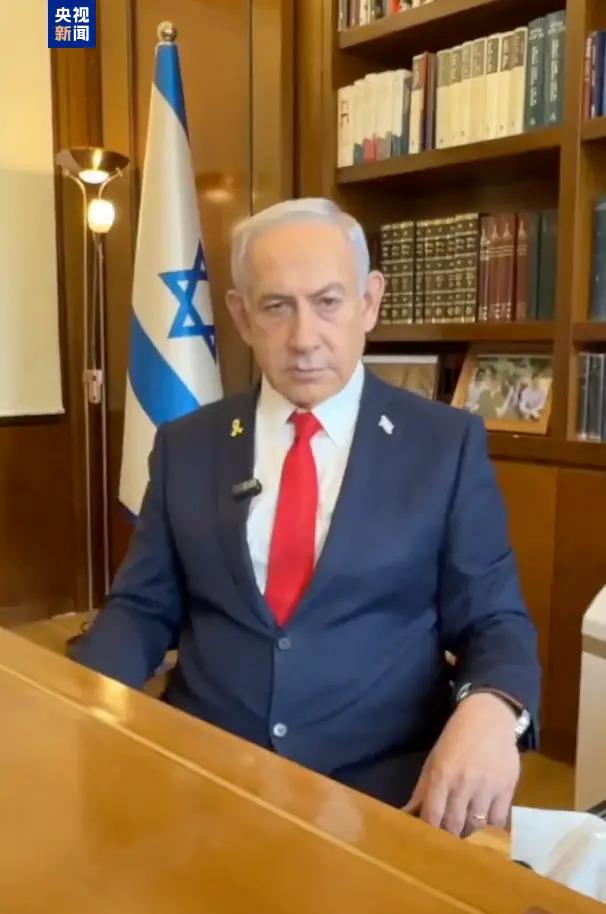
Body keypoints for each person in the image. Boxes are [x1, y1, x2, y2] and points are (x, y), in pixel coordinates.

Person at [73, 198, 541, 837]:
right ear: (241, 314)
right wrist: (77, 708)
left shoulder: (443, 446)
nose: (303, 339)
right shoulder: (188, 445)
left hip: (382, 796)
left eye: (328, 302)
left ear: (369, 302)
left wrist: (492, 709)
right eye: (276, 306)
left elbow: (494, 619)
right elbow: (142, 608)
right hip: (206, 779)